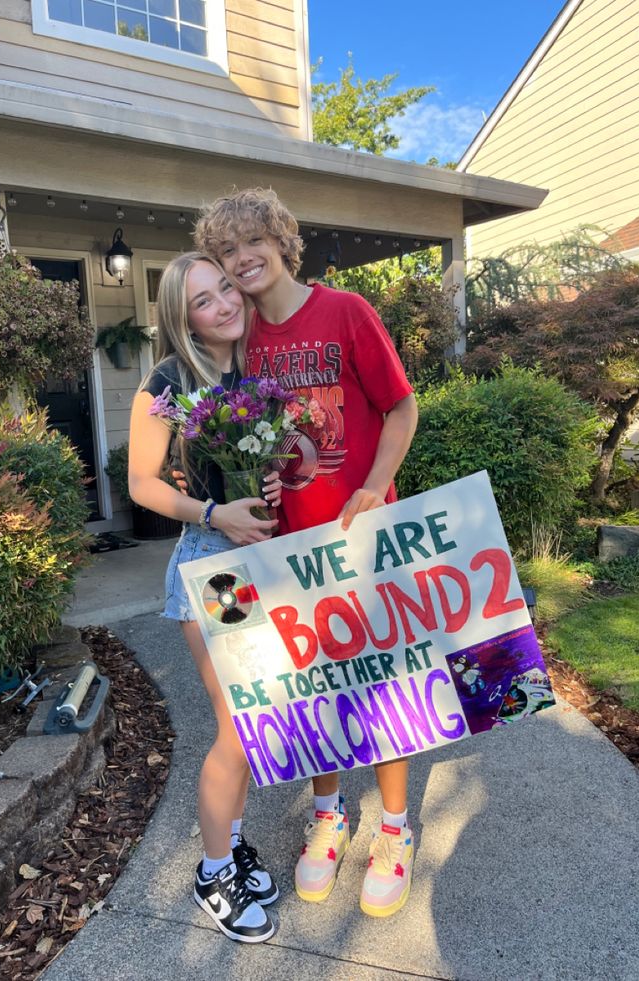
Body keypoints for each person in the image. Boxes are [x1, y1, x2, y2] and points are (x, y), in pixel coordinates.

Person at [193, 188, 419, 918]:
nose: (240, 260)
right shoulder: (243, 340)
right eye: (226, 253)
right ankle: (330, 814)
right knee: (311, 691)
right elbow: (251, 433)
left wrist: (377, 485)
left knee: (385, 686)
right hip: (284, 552)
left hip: (361, 538)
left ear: (281, 240)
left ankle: (394, 829)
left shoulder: (347, 311)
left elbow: (401, 406)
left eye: (250, 242)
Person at [128, 251, 284, 943]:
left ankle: (235, 844)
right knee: (241, 725)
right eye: (202, 298)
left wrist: (272, 483)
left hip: (263, 562)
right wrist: (215, 512)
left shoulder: (254, 369)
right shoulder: (168, 381)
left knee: (258, 719)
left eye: (226, 286)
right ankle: (212, 871)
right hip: (215, 570)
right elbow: (141, 483)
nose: (223, 302)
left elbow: (269, 458)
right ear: (179, 316)